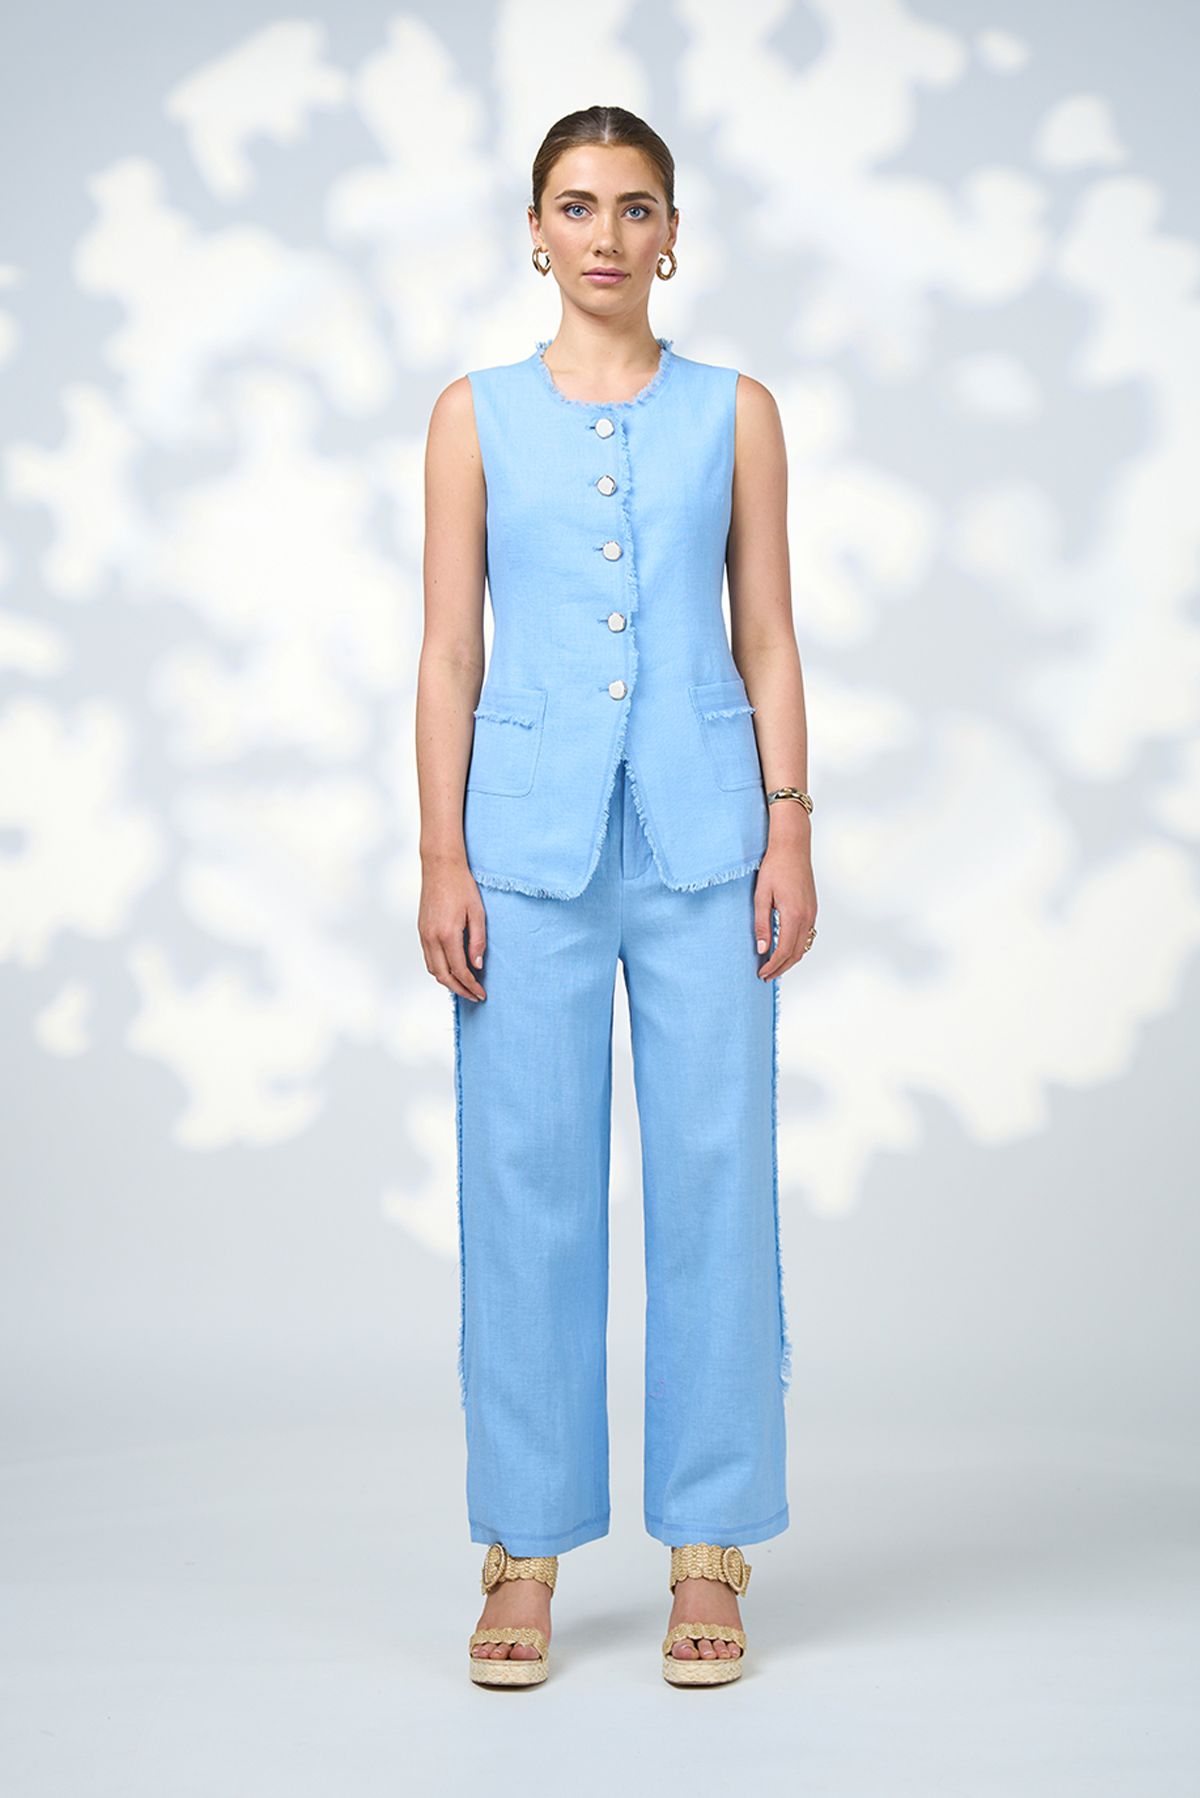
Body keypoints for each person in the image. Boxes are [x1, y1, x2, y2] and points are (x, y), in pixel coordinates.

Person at [416, 105, 817, 1688]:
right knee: (526, 1184)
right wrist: (440, 854)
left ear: (671, 235)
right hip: (525, 849)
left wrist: (790, 830)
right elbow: (451, 649)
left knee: (717, 1178)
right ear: (535, 232)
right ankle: (522, 1546)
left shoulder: (738, 412)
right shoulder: (472, 417)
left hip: (707, 842)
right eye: (575, 206)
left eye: (633, 206)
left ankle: (709, 1542)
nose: (604, 233)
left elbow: (767, 633)